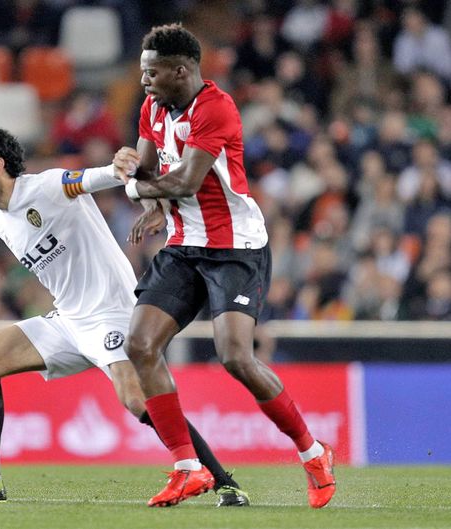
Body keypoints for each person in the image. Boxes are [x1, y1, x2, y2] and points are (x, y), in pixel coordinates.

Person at [0, 128, 249, 507]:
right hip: (69, 320)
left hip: (112, 313)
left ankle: (222, 482)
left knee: (137, 398)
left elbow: (90, 179)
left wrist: (117, 170)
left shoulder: (46, 186)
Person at [111, 24, 336, 508]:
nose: (144, 81)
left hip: (235, 247)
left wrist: (131, 187)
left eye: (152, 73)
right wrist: (139, 180)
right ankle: (187, 468)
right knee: (140, 344)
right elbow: (149, 172)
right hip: (183, 246)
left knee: (235, 357)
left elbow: (186, 182)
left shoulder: (216, 108)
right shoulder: (153, 107)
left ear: (181, 71)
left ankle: (313, 451)